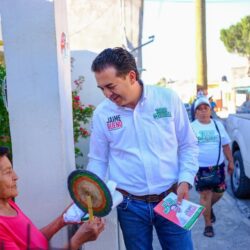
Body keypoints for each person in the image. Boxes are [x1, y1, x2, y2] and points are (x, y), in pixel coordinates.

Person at [87, 47, 199, 250]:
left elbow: (187, 144)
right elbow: (98, 160)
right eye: (101, 88)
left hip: (172, 198)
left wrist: (185, 180)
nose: (106, 94)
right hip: (130, 207)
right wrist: (92, 199)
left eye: (110, 86)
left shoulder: (167, 99)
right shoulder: (102, 114)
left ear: (131, 76)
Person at [0, 146, 105, 250]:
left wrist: (63, 219)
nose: (16, 176)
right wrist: (77, 241)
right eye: (8, 172)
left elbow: (35, 242)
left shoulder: (7, 203)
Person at [191, 97, 234, 238]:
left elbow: (226, 145)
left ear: (210, 110)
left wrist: (231, 161)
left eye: (206, 108)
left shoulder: (218, 125)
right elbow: (186, 149)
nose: (203, 111)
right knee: (205, 195)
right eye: (199, 109)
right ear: (196, 113)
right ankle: (208, 224)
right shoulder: (191, 127)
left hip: (218, 167)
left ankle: (208, 208)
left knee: (220, 192)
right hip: (200, 169)